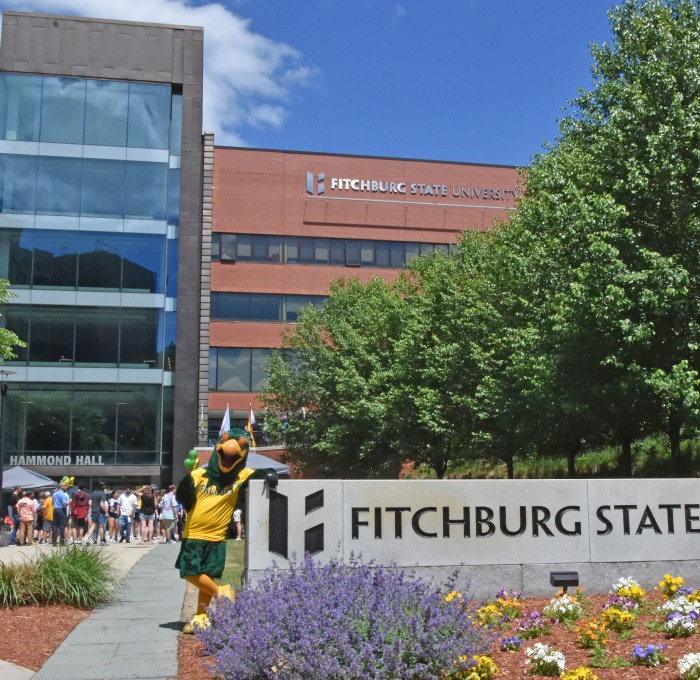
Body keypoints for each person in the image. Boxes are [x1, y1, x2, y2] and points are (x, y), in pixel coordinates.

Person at [176, 428, 278, 634]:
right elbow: (183, 499)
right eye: (226, 443)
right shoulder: (199, 475)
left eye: (241, 446)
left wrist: (271, 475)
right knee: (189, 572)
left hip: (218, 537)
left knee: (207, 575)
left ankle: (202, 616)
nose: (231, 449)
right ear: (217, 448)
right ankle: (222, 593)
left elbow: (261, 475)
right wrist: (186, 480)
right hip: (194, 534)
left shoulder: (242, 475)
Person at [52, 482, 71, 546]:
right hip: (61, 510)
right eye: (64, 486)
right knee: (62, 526)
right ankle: (61, 541)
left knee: (55, 525)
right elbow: (64, 505)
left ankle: (54, 541)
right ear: (61, 487)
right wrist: (69, 502)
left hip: (55, 509)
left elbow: (52, 503)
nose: (66, 487)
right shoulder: (63, 494)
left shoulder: (54, 494)